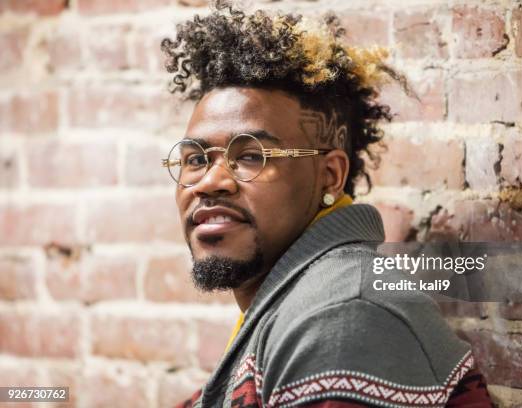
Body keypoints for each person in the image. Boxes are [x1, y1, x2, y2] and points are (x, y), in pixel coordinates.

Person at [161, 2, 493, 407]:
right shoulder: (293, 306)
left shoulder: (344, 317)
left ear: (330, 176)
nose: (210, 182)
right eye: (196, 159)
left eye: (252, 156)